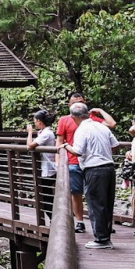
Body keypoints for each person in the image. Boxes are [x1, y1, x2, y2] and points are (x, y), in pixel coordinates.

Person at [67, 102, 118, 248]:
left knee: (96, 204)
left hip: (94, 170)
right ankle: (105, 236)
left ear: (72, 117)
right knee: (107, 203)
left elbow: (78, 151)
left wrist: (65, 146)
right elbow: (115, 146)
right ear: (88, 113)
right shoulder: (101, 126)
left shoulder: (81, 130)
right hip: (109, 167)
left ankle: (102, 239)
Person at [56, 92, 88, 232]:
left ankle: (103, 222)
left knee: (94, 192)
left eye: (80, 102)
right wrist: (59, 162)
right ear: (69, 105)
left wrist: (100, 112)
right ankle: (80, 221)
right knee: (76, 193)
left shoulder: (92, 119)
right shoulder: (64, 120)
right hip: (73, 161)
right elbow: (60, 141)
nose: (77, 104)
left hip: (90, 161)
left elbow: (111, 125)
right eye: (74, 103)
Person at [25, 109, 57, 218]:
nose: (34, 123)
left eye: (35, 121)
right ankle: (53, 219)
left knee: (45, 196)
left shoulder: (47, 133)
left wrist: (30, 132)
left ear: (39, 121)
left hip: (48, 169)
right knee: (46, 196)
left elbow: (30, 146)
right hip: (46, 168)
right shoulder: (44, 132)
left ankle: (54, 219)